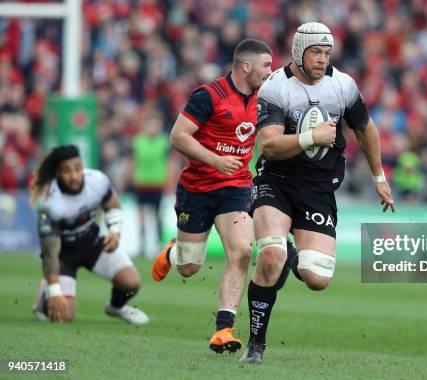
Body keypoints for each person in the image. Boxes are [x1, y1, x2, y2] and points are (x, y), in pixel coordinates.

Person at [240, 22, 395, 364]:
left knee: (317, 278)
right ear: (298, 51)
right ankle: (255, 345)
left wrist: (379, 176)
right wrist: (311, 137)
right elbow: (269, 145)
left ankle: (289, 252)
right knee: (268, 257)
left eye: (327, 53)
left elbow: (365, 129)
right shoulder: (275, 88)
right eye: (316, 52)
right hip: (276, 181)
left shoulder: (343, 86)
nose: (323, 59)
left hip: (319, 189)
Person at [150, 39, 273, 353]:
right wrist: (215, 160)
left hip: (235, 187)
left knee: (243, 250)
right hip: (198, 188)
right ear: (246, 66)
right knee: (189, 268)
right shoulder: (209, 96)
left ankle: (224, 329)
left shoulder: (266, 98)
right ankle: (175, 251)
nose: (269, 72)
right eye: (265, 65)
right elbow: (178, 136)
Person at [30, 145, 149, 325]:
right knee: (64, 316)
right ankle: (44, 295)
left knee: (131, 284)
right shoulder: (49, 202)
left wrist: (115, 232)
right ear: (57, 173)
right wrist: (55, 292)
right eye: (67, 171)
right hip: (64, 255)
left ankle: (115, 308)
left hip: (91, 242)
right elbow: (50, 253)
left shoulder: (97, 180)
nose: (74, 176)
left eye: (78, 168)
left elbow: (113, 205)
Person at [126, 110, 174, 256]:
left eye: (156, 124)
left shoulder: (164, 141)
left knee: (158, 215)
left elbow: (171, 163)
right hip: (141, 183)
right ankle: (142, 246)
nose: (153, 127)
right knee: (140, 216)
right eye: (151, 124)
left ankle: (159, 245)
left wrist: (170, 181)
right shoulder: (138, 141)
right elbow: (132, 161)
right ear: (145, 125)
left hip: (158, 184)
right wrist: (127, 178)